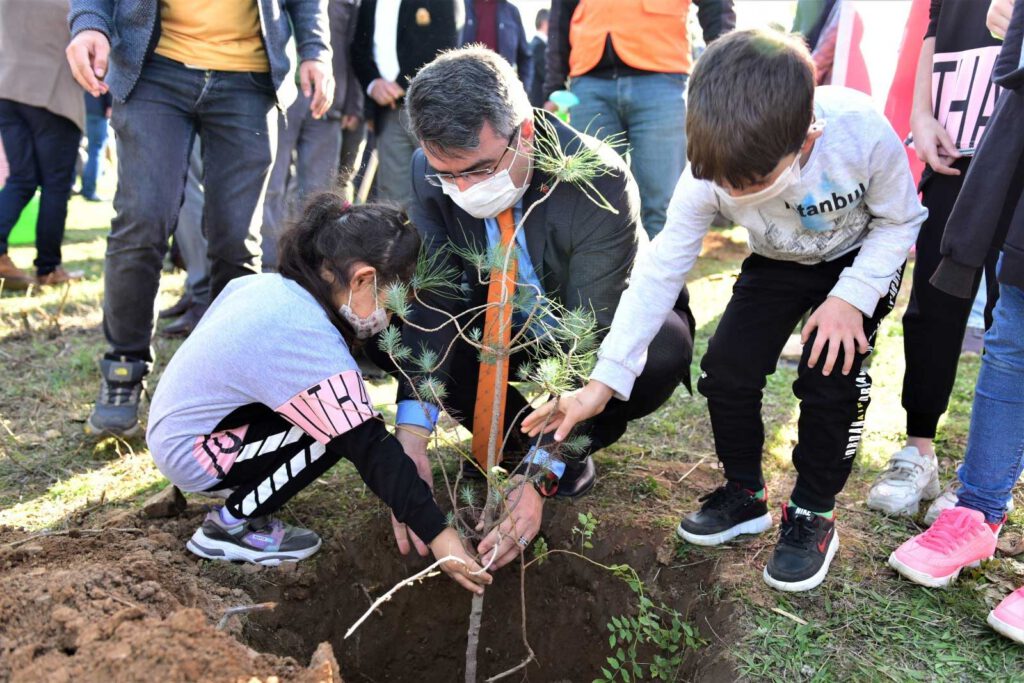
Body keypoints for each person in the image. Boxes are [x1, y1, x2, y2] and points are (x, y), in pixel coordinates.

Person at [525, 29, 927, 592]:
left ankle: (814, 512)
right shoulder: (708, 173)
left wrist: (850, 298)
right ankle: (745, 494)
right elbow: (659, 272)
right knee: (727, 369)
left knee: (829, 371)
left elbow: (902, 220)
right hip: (776, 259)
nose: (734, 192)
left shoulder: (859, 133)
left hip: (855, 257)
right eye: (725, 185)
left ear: (807, 135)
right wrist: (603, 381)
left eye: (753, 184)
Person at [379, 46, 694, 571]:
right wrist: (409, 438)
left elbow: (592, 335)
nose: (462, 190)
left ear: (524, 132)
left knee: (658, 349)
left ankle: (550, 457)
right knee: (392, 323)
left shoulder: (597, 179)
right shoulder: (427, 172)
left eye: (479, 170)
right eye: (446, 175)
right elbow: (436, 300)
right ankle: (522, 448)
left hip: (589, 331)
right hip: (496, 331)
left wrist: (537, 480)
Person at [146, 197, 490, 592]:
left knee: (338, 415)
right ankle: (231, 525)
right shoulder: (303, 334)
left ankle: (243, 491)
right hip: (197, 452)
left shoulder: (271, 288)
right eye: (391, 302)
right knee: (336, 428)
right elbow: (370, 446)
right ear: (362, 279)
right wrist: (439, 535)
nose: (389, 318)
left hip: (191, 430)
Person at [66, 0, 335, 437]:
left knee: (236, 241)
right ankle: (124, 368)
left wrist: (315, 50)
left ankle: (230, 386)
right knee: (143, 222)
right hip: (155, 68)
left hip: (248, 77)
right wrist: (88, 23)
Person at [888, 0, 1024, 644]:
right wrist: (920, 115)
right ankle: (955, 489)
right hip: (983, 144)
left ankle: (985, 498)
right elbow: (936, 34)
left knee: (1012, 321)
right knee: (983, 327)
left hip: (1009, 135)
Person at [866, 0, 1004, 520]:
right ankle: (918, 451)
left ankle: (989, 477)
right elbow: (935, 23)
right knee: (933, 304)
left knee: (1008, 320)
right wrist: (921, 114)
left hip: (1012, 151)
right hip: (953, 148)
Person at [543, 0, 735, 238]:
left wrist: (726, 65)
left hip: (662, 76)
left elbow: (716, 5)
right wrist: (553, 87)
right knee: (591, 204)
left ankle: (664, 276)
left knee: (663, 206)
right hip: (588, 82)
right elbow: (561, 15)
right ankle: (606, 275)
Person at [262, 0, 366, 270]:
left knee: (322, 193)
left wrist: (352, 103)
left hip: (329, 99)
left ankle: (313, 269)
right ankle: (268, 267)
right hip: (277, 93)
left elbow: (355, 44)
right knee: (270, 187)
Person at [0, 0, 86, 290]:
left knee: (21, 179)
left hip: (9, 90)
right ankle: (48, 268)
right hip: (54, 96)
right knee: (55, 186)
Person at [350, 0, 462, 206]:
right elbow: (359, 49)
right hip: (389, 112)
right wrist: (373, 84)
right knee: (393, 201)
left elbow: (446, 45)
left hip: (433, 111)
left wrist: (403, 84)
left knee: (443, 193)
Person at [459, 0, 532, 91]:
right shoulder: (460, 7)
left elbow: (525, 58)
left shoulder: (511, 11)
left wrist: (522, 92)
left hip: (500, 92)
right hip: (464, 91)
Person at [79, 91, 112, 202]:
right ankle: (89, 191)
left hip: (81, 107)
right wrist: (110, 105)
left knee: (75, 148)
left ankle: (71, 184)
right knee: (96, 151)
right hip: (97, 110)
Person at [528, 9, 549, 108]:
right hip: (538, 100)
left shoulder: (532, 45)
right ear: (545, 23)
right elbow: (545, 75)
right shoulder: (540, 47)